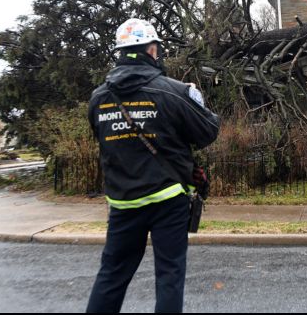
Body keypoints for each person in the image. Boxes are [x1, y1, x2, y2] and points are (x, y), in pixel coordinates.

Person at [86, 18, 220, 313]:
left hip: (122, 203)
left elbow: (104, 140)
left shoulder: (98, 99)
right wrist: (195, 97)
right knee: (169, 275)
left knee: (112, 275)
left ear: (121, 52)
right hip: (167, 199)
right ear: (151, 50)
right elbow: (208, 131)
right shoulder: (172, 92)